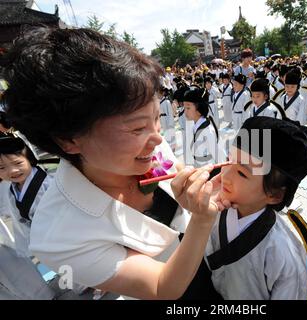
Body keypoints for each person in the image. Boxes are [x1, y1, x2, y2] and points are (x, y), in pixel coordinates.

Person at [1, 26, 233, 300]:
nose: (157, 138)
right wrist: (202, 221)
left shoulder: (147, 148)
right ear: (69, 140)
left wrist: (196, 188)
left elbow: (175, 172)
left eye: (156, 118)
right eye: (136, 129)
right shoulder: (58, 234)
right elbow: (161, 287)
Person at [204, 116, 307, 300]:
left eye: (242, 173)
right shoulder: (215, 209)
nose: (225, 175)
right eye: (228, 161)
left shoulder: (283, 252)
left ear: (275, 195)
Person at [0, 134, 56, 299]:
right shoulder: (10, 189)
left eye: (17, 163)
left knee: (75, 263)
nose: (12, 171)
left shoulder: (49, 184)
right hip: (41, 241)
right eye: (1, 168)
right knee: (63, 267)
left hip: (60, 236)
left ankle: (92, 283)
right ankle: (81, 285)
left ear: (29, 159)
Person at [183, 87, 225, 167]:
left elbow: (219, 155)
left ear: (199, 110)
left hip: (208, 170)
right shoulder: (193, 126)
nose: (185, 111)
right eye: (184, 108)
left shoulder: (208, 130)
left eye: (188, 108)